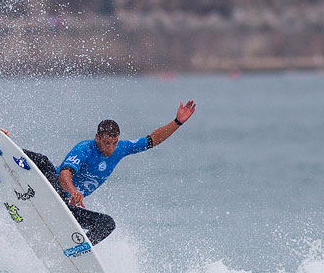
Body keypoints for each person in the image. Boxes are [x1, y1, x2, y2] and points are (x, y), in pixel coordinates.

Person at [23, 100, 197, 244]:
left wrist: (177, 122)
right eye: (107, 142)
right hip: (54, 191)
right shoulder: (85, 148)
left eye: (114, 142)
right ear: (97, 137)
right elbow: (64, 174)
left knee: (107, 224)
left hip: (67, 209)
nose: (111, 148)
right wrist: (73, 191)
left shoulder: (120, 149)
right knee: (42, 161)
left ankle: (78, 250)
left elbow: (151, 140)